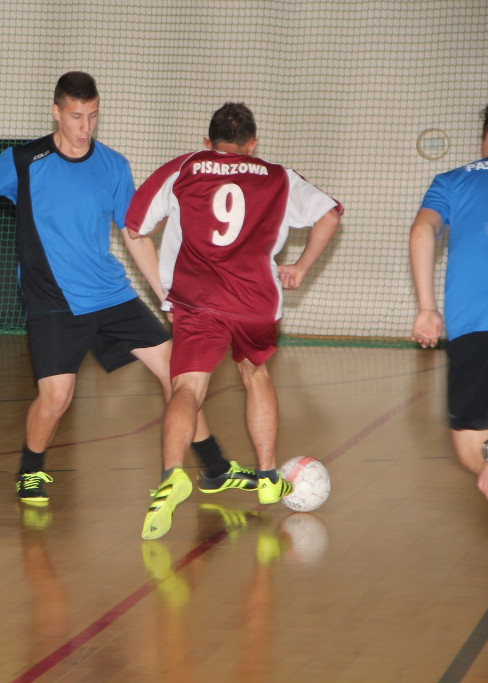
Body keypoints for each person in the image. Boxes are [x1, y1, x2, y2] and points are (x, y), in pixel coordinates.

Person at [0, 72, 254, 507]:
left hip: (111, 295)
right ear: (57, 113)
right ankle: (30, 469)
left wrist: (166, 296)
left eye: (93, 116)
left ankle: (215, 468)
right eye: (77, 116)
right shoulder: (25, 161)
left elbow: (134, 235)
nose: (86, 127)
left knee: (175, 373)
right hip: (54, 301)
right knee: (57, 397)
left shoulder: (114, 166)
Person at [126, 102, 342, 539]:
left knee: (187, 388)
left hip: (197, 301)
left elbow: (134, 227)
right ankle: (267, 477)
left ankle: (172, 475)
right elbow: (330, 214)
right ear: (253, 143)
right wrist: (301, 267)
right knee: (255, 374)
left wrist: (162, 290)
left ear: (208, 142)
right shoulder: (278, 176)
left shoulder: (184, 167)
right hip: (255, 302)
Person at [409, 105, 488, 499]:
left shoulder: (453, 181)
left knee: (473, 451)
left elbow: (423, 230)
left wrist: (427, 308)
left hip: (474, 330)